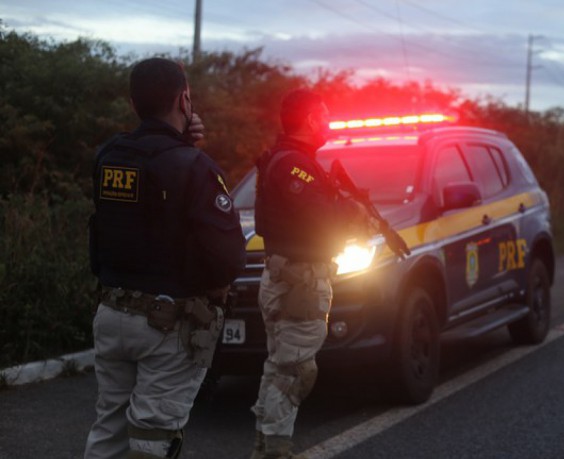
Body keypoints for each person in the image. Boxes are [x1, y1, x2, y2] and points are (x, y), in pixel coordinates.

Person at [85, 57, 246, 459]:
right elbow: (226, 257)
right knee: (152, 440)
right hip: (168, 325)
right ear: (184, 98)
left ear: (132, 101)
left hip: (112, 313)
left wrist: (182, 143)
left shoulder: (110, 156)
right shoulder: (193, 166)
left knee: (110, 430)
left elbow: (149, 203)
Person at [250, 89, 370, 459]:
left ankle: (265, 448)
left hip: (289, 278)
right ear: (311, 120)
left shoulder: (289, 159)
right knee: (295, 371)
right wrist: (353, 216)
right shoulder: (293, 164)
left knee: (280, 368)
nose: (329, 123)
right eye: (325, 116)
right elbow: (321, 218)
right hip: (298, 282)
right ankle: (275, 452)